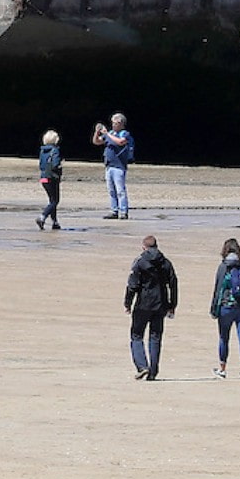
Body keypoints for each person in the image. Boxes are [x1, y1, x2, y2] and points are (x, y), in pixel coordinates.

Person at [124, 234, 178, 381]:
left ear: (144, 247)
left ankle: (142, 366)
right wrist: (172, 305)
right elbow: (173, 284)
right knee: (155, 337)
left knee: (136, 335)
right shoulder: (166, 263)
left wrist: (127, 303)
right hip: (160, 304)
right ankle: (153, 371)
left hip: (143, 304)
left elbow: (132, 285)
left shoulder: (140, 262)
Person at [210, 237, 240, 381]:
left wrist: (214, 309)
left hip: (226, 307)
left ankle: (223, 369)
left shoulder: (223, 267)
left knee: (224, 337)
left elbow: (218, 289)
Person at [92, 112, 134, 218]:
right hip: (109, 166)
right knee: (111, 190)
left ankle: (123, 211)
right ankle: (114, 210)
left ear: (121, 123)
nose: (114, 125)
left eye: (116, 123)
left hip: (119, 166)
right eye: (113, 123)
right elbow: (96, 142)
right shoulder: (111, 133)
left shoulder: (125, 134)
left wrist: (107, 134)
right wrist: (97, 132)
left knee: (120, 190)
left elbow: (120, 142)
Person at [36, 129, 63, 230]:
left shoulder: (42, 150)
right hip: (52, 178)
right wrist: (60, 166)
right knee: (55, 201)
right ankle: (42, 217)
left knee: (52, 200)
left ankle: (55, 222)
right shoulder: (55, 150)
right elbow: (55, 165)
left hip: (43, 178)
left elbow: (41, 164)